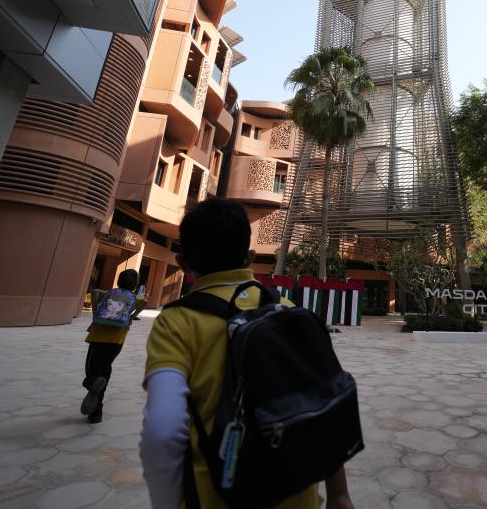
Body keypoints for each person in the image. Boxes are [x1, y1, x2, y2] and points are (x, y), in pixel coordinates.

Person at [140, 199, 354, 509]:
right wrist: (338, 494)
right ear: (250, 257)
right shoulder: (292, 313)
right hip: (299, 497)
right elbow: (325, 405)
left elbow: (162, 430)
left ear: (183, 263)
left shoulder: (176, 323)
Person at [82, 268, 139, 424]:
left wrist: (95, 313)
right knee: (105, 369)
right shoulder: (133, 297)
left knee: (92, 370)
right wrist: (131, 317)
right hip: (117, 340)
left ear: (119, 281)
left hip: (98, 337)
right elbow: (145, 302)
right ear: (134, 285)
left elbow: (95, 293)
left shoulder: (110, 292)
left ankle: (91, 385)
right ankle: (96, 413)